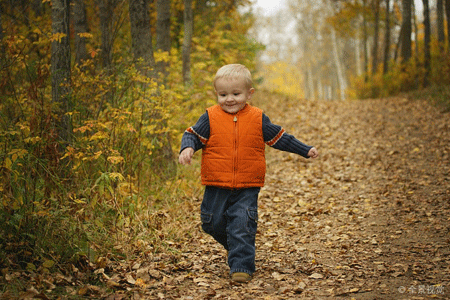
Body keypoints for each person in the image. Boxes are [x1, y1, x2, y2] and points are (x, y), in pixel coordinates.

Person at [178, 64, 319, 283]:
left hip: (247, 184)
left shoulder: (257, 118)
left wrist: (305, 149)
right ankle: (239, 245)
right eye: (223, 94)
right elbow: (193, 135)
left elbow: (281, 138)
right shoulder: (210, 117)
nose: (229, 99)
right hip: (216, 182)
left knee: (243, 223)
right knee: (211, 223)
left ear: (249, 94)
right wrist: (187, 147)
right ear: (216, 93)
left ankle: (241, 265)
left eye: (236, 94)